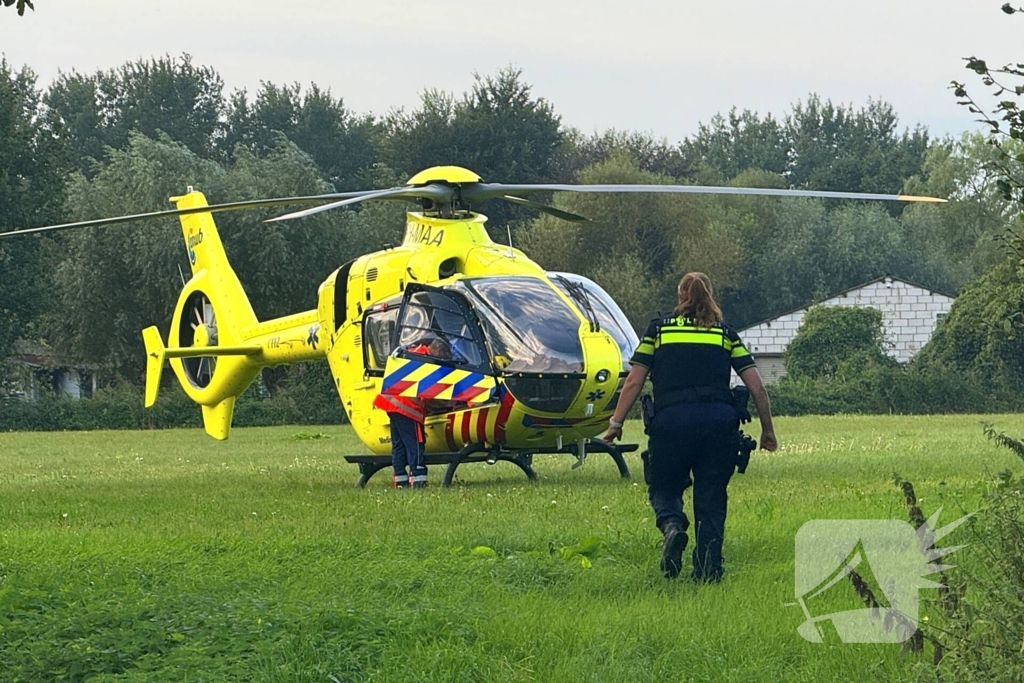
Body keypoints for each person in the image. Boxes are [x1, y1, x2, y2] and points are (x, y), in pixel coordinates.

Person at [603, 272, 778, 582]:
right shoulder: (724, 334)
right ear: (710, 295)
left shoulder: (660, 331)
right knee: (711, 496)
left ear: (680, 294)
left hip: (672, 423)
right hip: (719, 425)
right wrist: (767, 431)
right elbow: (757, 387)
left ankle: (672, 526)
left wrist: (616, 423)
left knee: (665, 485)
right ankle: (709, 572)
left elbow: (634, 379)